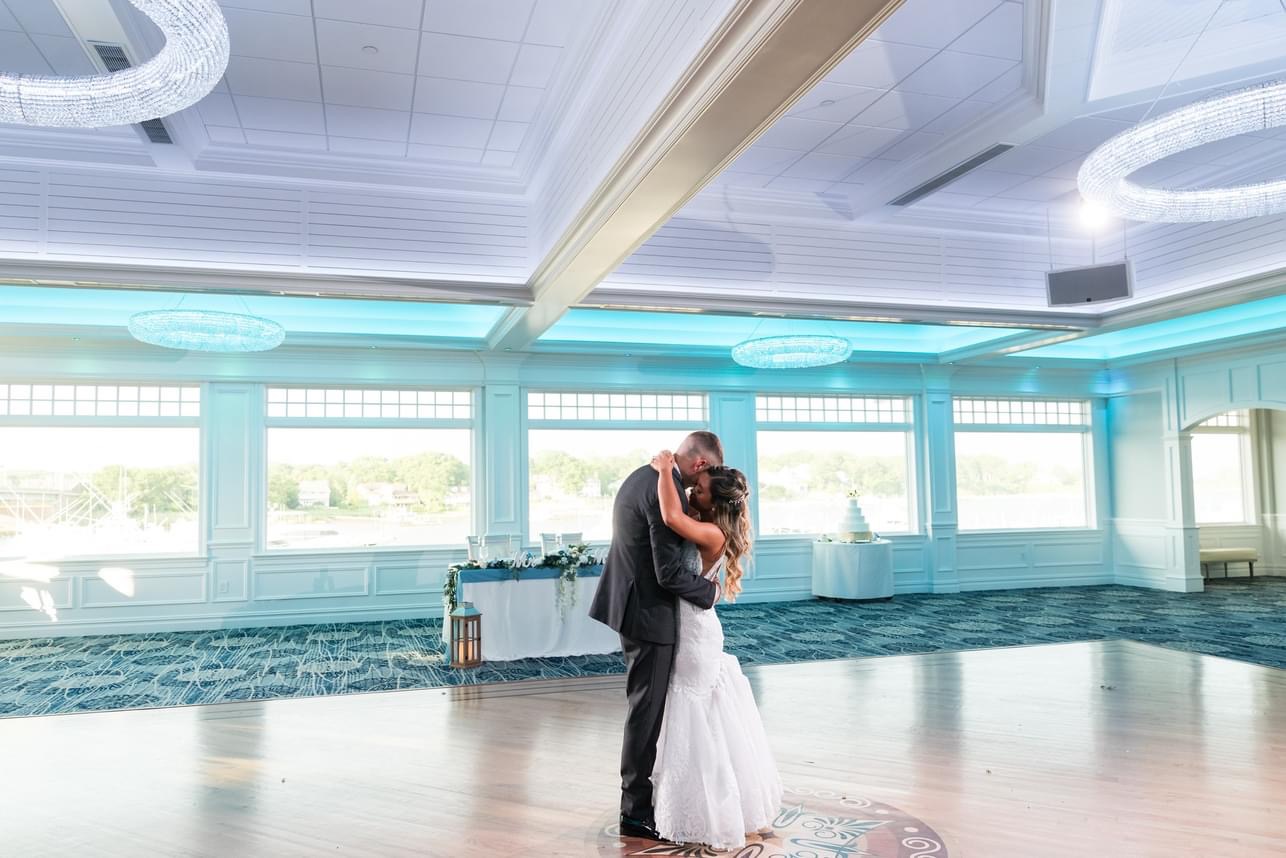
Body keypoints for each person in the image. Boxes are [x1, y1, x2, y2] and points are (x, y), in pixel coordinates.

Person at [588, 431, 725, 841]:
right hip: (649, 615)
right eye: (708, 477)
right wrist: (710, 593)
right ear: (700, 465)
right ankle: (634, 811)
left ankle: (647, 798)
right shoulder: (667, 494)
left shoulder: (645, 476)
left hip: (635, 606)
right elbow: (667, 573)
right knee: (646, 713)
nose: (707, 488)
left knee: (647, 709)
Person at [646, 449, 782, 850]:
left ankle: (712, 810)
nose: (692, 493)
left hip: (695, 633)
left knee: (696, 716)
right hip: (691, 625)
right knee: (697, 714)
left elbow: (670, 517)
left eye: (699, 491)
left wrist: (664, 468)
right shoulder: (706, 524)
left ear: (714, 502)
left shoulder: (712, 533)